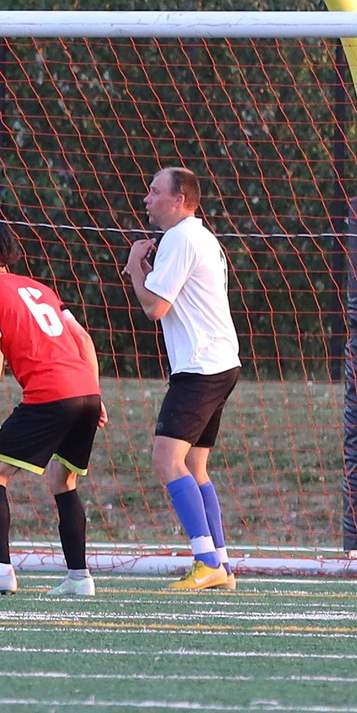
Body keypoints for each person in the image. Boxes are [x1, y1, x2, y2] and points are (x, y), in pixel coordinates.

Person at [0, 219, 105, 598]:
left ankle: (0, 571)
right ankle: (78, 578)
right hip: (85, 391)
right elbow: (84, 339)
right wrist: (96, 394)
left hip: (50, 394)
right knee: (62, 479)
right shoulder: (40, 289)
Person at [123, 165, 241, 592]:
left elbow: (156, 308)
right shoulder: (202, 237)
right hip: (223, 363)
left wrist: (136, 267)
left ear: (179, 200)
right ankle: (222, 565)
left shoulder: (179, 237)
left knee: (166, 459)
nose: (146, 199)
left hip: (200, 368)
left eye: (154, 192)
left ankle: (205, 560)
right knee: (195, 465)